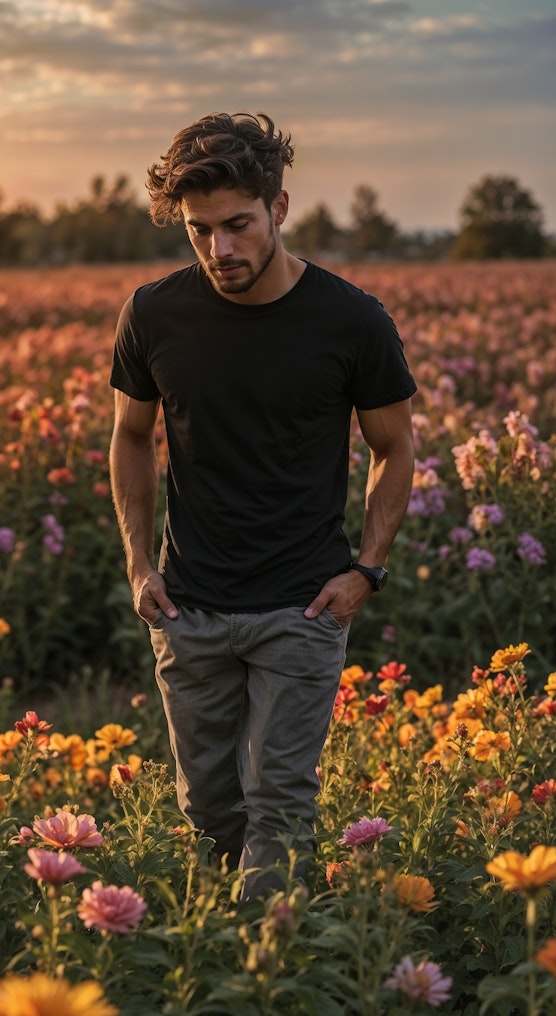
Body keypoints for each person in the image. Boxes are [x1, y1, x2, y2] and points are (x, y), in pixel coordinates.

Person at [109, 111, 416, 899]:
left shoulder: (351, 319)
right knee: (209, 809)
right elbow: (130, 437)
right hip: (191, 606)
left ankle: (266, 980)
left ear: (278, 209)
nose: (220, 249)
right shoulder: (153, 314)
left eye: (238, 225)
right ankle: (227, 972)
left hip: (302, 609)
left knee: (279, 805)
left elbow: (395, 448)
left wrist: (366, 573)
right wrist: (140, 565)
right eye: (199, 230)